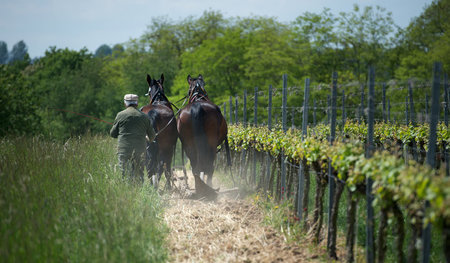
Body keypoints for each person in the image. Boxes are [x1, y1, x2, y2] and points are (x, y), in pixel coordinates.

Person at [110, 94, 155, 184]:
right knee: (139, 173)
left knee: (124, 173)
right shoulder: (144, 116)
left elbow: (113, 134)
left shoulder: (120, 115)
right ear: (137, 104)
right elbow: (152, 136)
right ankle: (139, 194)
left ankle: (126, 194)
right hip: (140, 150)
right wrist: (147, 138)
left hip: (124, 150)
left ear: (125, 104)